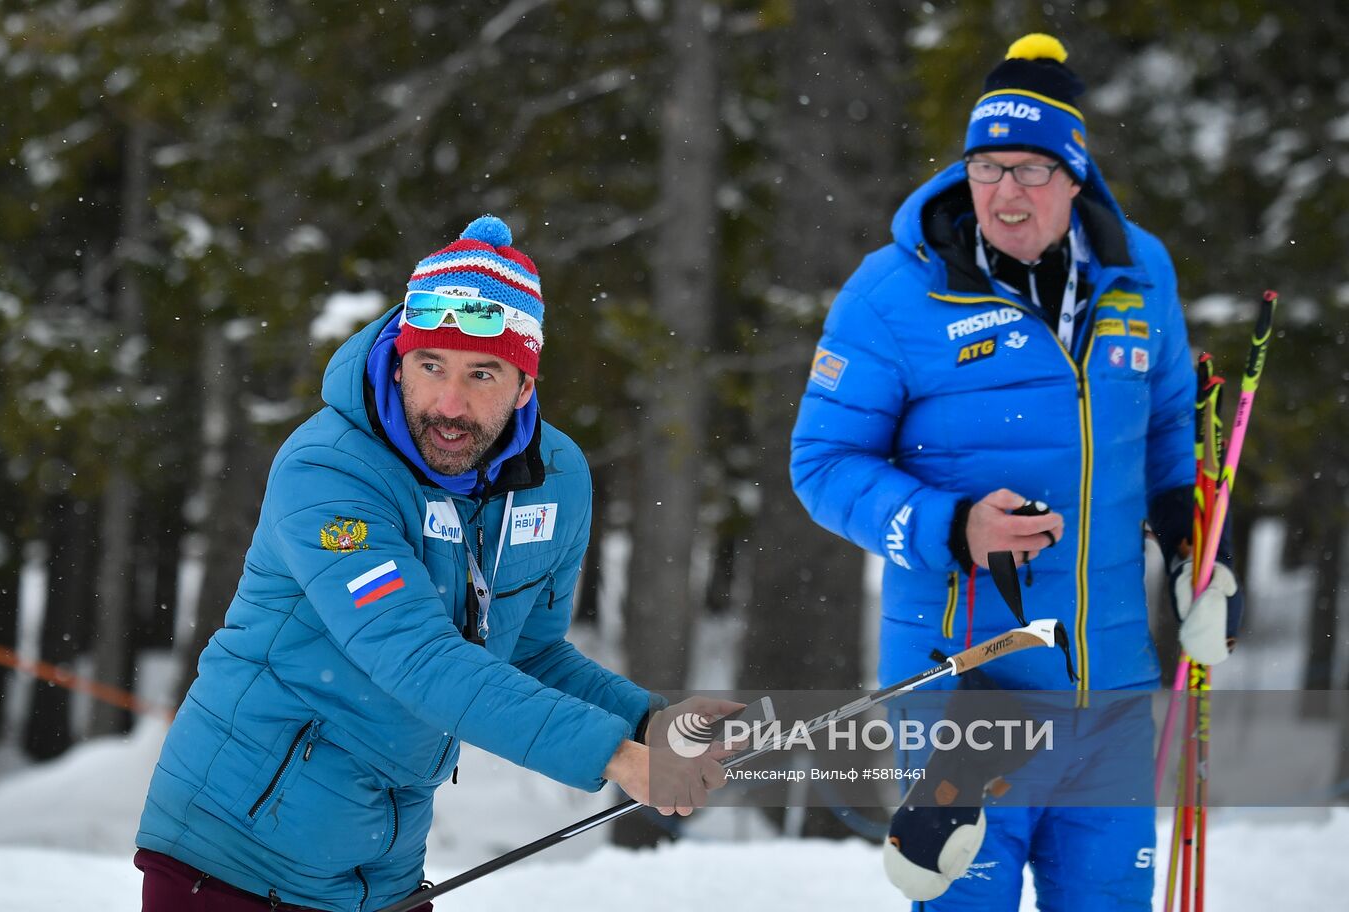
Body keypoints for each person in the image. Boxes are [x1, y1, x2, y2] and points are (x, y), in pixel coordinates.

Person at [135, 216, 735, 911]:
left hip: (378, 872)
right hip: (230, 859)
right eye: (431, 368)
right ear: (399, 362)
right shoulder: (329, 469)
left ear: (524, 385)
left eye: (482, 374)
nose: (450, 406)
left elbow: (529, 653)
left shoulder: (554, 476)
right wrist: (613, 756)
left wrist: (647, 723)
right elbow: (414, 655)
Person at [790, 34, 1241, 910]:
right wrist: (951, 526)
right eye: (987, 166)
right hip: (966, 693)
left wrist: (1195, 550)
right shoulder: (893, 293)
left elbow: (1169, 432)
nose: (1005, 191)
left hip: (1107, 691)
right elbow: (822, 463)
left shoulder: (1138, 274)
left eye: (1032, 170)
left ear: (1076, 179)